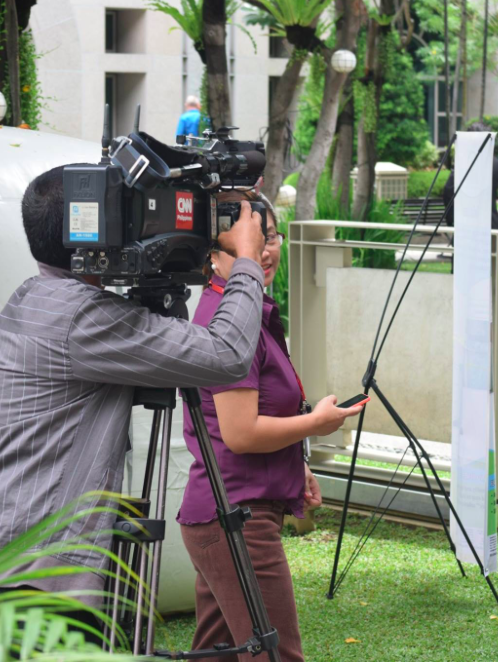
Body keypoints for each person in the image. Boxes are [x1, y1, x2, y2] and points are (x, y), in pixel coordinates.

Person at [0, 166, 267, 632]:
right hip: (30, 579)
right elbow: (226, 354)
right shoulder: (83, 318)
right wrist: (247, 262)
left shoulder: (35, 298)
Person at [178, 190, 364, 662]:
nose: (261, 252)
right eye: (243, 243)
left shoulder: (250, 312)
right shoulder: (228, 318)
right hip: (237, 519)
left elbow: (248, 420)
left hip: (229, 514)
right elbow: (240, 434)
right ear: (212, 256)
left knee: (218, 654)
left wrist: (293, 469)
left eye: (268, 237)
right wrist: (313, 425)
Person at [442, 121, 498, 230]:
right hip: (491, 225)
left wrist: (452, 221)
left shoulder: (464, 164)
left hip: (466, 227)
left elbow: (448, 191)